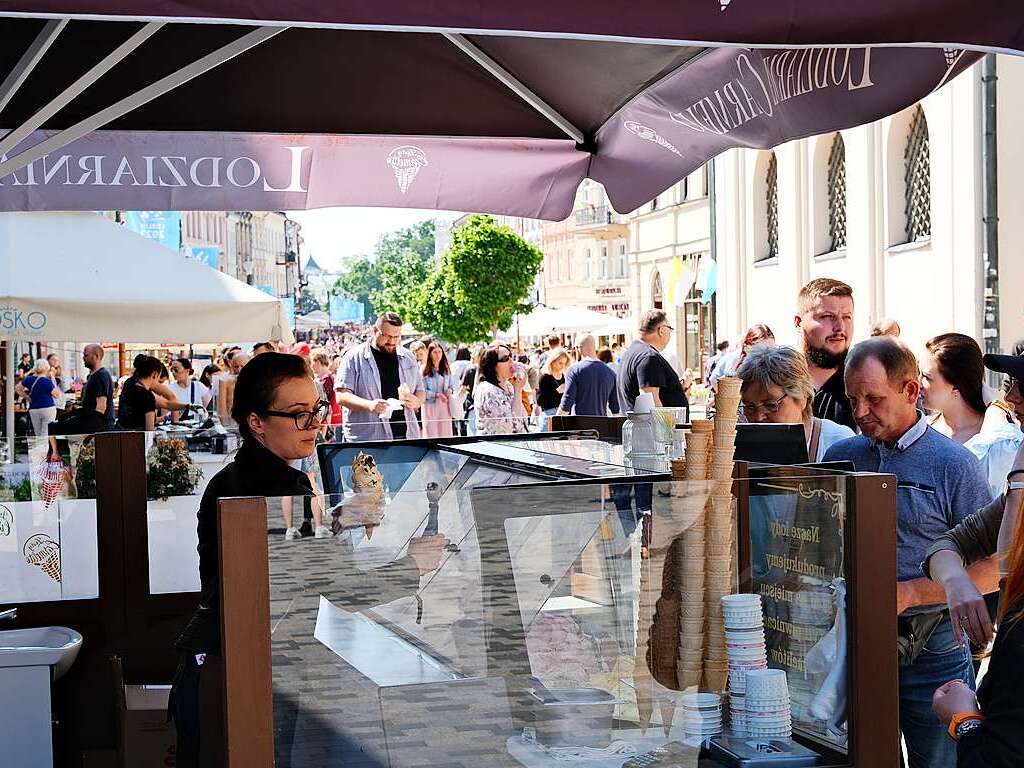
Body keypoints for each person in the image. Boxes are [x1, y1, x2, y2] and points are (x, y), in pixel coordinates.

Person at [822, 337, 992, 768]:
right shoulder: (841, 455)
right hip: (853, 642)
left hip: (933, 646)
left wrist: (913, 593)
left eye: (874, 399)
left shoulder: (955, 465)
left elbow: (991, 569)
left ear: (911, 391)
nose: (860, 412)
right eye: (853, 399)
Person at [931, 478, 1024, 765]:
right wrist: (957, 581)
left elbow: (1000, 757)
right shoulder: (1014, 499)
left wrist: (965, 720)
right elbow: (948, 544)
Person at [922, 333, 1021, 499]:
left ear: (956, 386)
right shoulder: (920, 430)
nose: (917, 383)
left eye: (926, 377)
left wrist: (996, 409)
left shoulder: (1000, 442)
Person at [737, 345, 854, 461]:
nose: (758, 417)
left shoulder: (838, 442)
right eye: (750, 407)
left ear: (802, 398)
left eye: (770, 405)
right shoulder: (738, 446)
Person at [337, 312, 425, 441]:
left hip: (407, 436)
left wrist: (416, 401)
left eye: (396, 337)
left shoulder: (408, 357)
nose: (392, 342)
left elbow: (420, 391)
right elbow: (341, 396)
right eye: (387, 336)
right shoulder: (353, 357)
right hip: (368, 438)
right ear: (375, 330)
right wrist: (369, 405)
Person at [795, 278, 857, 431]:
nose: (840, 327)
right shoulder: (778, 385)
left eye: (846, 317)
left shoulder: (863, 385)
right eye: (827, 317)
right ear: (798, 322)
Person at [617, 309, 689, 413]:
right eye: (670, 329)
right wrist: (666, 428)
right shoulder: (649, 357)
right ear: (661, 330)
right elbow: (651, 403)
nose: (670, 333)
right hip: (652, 428)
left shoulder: (631, 352)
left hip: (638, 426)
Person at [558, 335, 619, 417]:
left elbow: (566, 403)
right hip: (602, 424)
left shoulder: (574, 370)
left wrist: (555, 424)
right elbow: (615, 408)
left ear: (578, 348)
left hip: (580, 424)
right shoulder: (610, 373)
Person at [475, 344, 528, 436]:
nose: (512, 361)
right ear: (493, 365)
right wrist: (518, 390)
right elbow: (511, 428)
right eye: (505, 358)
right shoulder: (487, 391)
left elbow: (524, 420)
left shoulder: (509, 386)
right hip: (497, 446)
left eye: (511, 356)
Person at [709, 324, 775, 391]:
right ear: (747, 346)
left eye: (771, 349)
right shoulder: (731, 359)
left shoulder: (773, 363)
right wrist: (724, 397)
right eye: (761, 349)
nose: (767, 354)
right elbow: (714, 378)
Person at [117, 355, 163, 431]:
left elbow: (134, 417)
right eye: (159, 376)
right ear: (154, 374)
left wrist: (162, 418)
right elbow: (149, 430)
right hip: (138, 439)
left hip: (121, 434)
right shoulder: (147, 396)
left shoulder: (129, 383)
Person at [17, 358, 61, 439]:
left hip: (34, 409)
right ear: (46, 368)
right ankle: (44, 450)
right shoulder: (47, 381)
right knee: (46, 433)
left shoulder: (29, 379)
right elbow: (57, 395)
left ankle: (40, 449)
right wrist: (53, 378)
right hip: (48, 408)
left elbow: (17, 388)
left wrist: (27, 397)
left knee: (38, 433)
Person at [421, 340, 454, 438]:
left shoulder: (446, 369)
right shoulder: (424, 370)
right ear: (430, 354)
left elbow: (452, 386)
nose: (438, 355)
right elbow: (422, 391)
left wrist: (449, 391)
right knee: (432, 434)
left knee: (445, 434)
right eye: (435, 352)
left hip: (444, 405)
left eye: (440, 352)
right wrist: (436, 394)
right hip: (430, 406)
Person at [309, 349, 341, 440]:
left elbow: (325, 403)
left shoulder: (326, 380)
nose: (311, 366)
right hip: (331, 420)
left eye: (312, 362)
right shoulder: (329, 378)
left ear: (318, 362)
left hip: (329, 422)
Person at [537, 349, 570, 430]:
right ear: (552, 362)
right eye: (560, 363)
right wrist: (557, 392)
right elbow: (540, 401)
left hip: (563, 416)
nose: (563, 366)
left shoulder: (564, 377)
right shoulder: (545, 378)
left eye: (564, 363)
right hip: (549, 416)